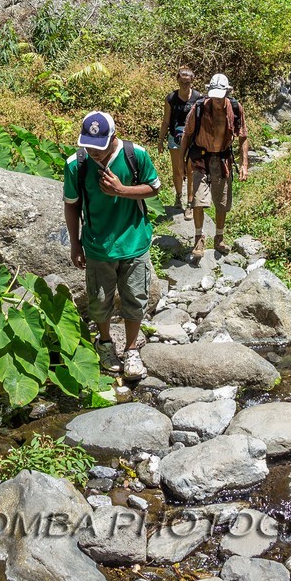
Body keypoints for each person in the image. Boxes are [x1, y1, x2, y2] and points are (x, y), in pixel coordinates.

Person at [63, 109, 161, 381]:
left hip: (134, 241)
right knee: (100, 300)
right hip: (97, 246)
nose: (94, 152)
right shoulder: (76, 164)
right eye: (89, 146)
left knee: (135, 298)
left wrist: (122, 190)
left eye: (100, 147)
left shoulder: (135, 155)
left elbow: (154, 188)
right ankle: (105, 343)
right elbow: (71, 206)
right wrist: (75, 244)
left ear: (113, 136)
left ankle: (131, 349)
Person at [179, 72, 248, 258]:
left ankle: (219, 237)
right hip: (201, 159)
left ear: (227, 92)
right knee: (199, 201)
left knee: (222, 202)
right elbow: (186, 134)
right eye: (214, 96)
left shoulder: (235, 108)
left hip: (223, 159)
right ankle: (199, 238)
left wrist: (244, 164)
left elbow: (242, 137)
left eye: (221, 96)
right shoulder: (199, 107)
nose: (217, 100)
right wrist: (180, 161)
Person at [158, 66, 203, 215]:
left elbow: (202, 120)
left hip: (192, 139)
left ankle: (190, 203)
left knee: (190, 170)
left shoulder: (198, 98)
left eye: (187, 83)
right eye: (182, 82)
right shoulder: (171, 98)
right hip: (174, 138)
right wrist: (160, 141)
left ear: (192, 82)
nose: (184, 86)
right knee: (178, 169)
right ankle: (178, 196)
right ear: (177, 81)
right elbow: (166, 121)